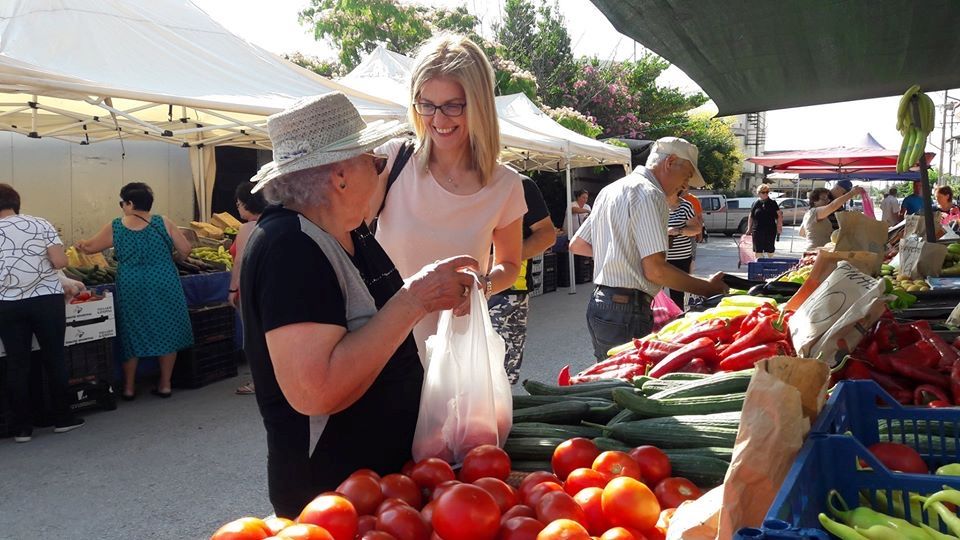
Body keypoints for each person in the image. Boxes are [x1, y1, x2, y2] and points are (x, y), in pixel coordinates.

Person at [241, 92, 477, 518]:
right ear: (342, 176)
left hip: (378, 487)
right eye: (376, 161)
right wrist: (415, 298)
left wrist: (430, 294)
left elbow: (372, 318)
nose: (381, 169)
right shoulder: (289, 247)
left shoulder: (349, 232)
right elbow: (315, 390)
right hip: (333, 497)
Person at [370, 34, 525, 365]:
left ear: (480, 104)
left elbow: (510, 265)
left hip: (458, 357)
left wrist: (482, 285)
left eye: (454, 106)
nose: (438, 120)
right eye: (426, 105)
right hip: (382, 354)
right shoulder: (391, 160)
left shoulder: (506, 184)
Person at [569, 137, 729, 360]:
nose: (686, 185)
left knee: (606, 383)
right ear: (670, 161)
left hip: (601, 305)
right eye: (686, 176)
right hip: (626, 310)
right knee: (624, 386)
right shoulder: (650, 193)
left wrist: (621, 255)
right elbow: (656, 271)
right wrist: (708, 288)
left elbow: (578, 244)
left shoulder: (611, 190)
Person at [76, 182, 193, 400]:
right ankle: (165, 384)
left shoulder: (116, 226)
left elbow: (91, 247)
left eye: (122, 203)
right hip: (164, 279)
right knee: (166, 326)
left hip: (132, 283)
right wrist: (170, 260)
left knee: (132, 331)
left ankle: (129, 388)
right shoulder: (163, 222)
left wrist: (81, 244)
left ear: (130, 203)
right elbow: (186, 249)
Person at [0, 184, 85, 442]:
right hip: (45, 300)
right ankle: (62, 418)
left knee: (16, 363)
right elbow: (60, 263)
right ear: (16, 202)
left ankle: (22, 428)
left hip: (7, 303)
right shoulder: (40, 224)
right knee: (54, 357)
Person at [488, 177, 555, 384]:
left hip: (510, 294)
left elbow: (547, 235)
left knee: (502, 378)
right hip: (460, 295)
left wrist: (504, 259)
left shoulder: (518, 184)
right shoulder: (443, 180)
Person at [228, 182, 268, 396]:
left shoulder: (247, 228)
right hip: (268, 287)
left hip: (249, 289)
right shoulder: (275, 222)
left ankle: (258, 381)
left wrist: (233, 289)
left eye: (238, 202)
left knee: (254, 337)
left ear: (245, 203)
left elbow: (239, 261)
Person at [665, 181, 700, 308]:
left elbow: (696, 229)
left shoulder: (685, 206)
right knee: (655, 293)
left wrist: (678, 231)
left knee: (677, 294)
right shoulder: (657, 205)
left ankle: (677, 318)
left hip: (681, 257)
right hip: (660, 257)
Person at [800, 186, 865, 252]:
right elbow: (833, 206)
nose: (827, 201)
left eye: (827, 198)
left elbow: (801, 233)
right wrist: (851, 193)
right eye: (823, 198)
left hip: (816, 251)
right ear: (814, 201)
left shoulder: (809, 214)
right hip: (815, 252)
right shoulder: (816, 212)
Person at [746, 184, 782, 258]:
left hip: (770, 229)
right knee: (758, 249)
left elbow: (779, 216)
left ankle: (770, 263)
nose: (765, 194)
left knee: (770, 248)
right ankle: (759, 264)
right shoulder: (755, 203)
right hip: (757, 229)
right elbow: (751, 216)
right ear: (759, 193)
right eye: (763, 192)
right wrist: (749, 228)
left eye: (767, 192)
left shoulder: (773, 203)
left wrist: (779, 228)